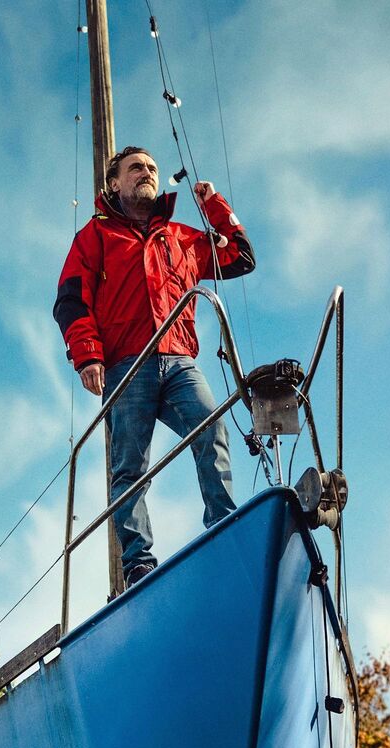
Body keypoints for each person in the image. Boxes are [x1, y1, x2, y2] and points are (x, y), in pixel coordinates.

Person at [53, 146, 257, 588]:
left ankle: (223, 529)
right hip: (127, 365)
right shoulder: (95, 237)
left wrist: (214, 206)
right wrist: (88, 355)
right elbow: (70, 300)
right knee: (129, 467)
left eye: (151, 168)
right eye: (135, 168)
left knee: (212, 428)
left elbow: (240, 257)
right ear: (114, 183)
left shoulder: (182, 237)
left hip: (180, 361)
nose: (146, 173)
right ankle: (138, 562)